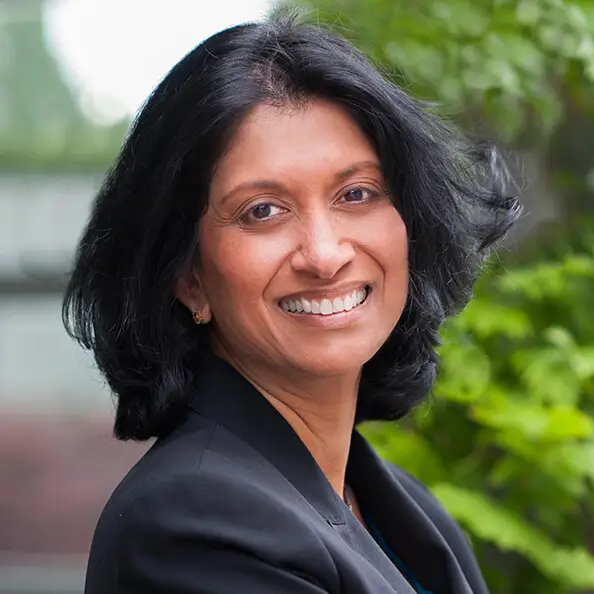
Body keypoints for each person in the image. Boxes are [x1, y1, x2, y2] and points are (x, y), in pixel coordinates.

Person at [63, 11, 520, 594]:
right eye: (263, 211)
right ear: (188, 277)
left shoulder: (403, 509)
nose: (325, 255)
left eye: (357, 193)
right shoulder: (190, 530)